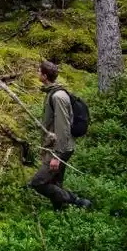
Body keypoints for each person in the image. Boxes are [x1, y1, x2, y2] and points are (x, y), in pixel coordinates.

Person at [29, 60, 92, 211]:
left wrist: (56, 156)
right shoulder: (52, 92)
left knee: (38, 182)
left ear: (44, 76)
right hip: (59, 147)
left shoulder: (58, 96)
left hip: (61, 148)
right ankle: (59, 211)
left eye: (39, 71)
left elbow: (63, 128)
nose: (37, 74)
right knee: (56, 182)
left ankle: (76, 201)